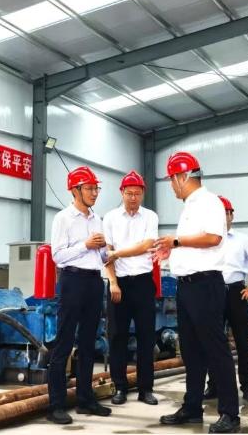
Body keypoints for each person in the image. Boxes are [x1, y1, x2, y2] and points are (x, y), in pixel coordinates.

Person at [152, 152, 240, 434]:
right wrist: (172, 251)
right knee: (190, 351)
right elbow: (193, 245)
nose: (171, 186)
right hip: (187, 286)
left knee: (215, 349)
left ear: (183, 176)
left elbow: (213, 237)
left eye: (172, 180)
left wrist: (176, 241)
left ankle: (230, 413)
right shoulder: (190, 206)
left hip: (205, 285)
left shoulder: (209, 202)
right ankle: (192, 407)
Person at [46, 166, 112, 425]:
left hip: (94, 282)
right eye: (89, 188)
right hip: (72, 280)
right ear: (75, 190)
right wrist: (86, 245)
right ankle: (56, 405)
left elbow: (103, 257)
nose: (95, 193)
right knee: (64, 342)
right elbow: (57, 255)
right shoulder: (63, 219)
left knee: (88, 342)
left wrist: (106, 249)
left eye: (96, 188)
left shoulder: (98, 220)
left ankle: (85, 399)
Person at [203, 196, 248, 404]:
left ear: (232, 215)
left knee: (243, 342)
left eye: (226, 213)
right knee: (213, 342)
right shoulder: (206, 240)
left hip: (235, 293)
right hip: (212, 292)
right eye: (219, 214)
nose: (223, 217)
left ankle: (247, 387)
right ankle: (213, 386)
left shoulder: (242, 240)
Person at [103, 170, 159, 406]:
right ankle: (120, 387)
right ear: (122, 193)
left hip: (144, 282)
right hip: (120, 284)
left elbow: (146, 245)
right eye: (129, 193)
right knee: (117, 336)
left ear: (142, 194)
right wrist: (113, 283)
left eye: (137, 193)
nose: (133, 198)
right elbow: (106, 254)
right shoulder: (110, 218)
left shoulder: (150, 217)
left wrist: (117, 253)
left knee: (146, 336)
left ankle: (146, 389)